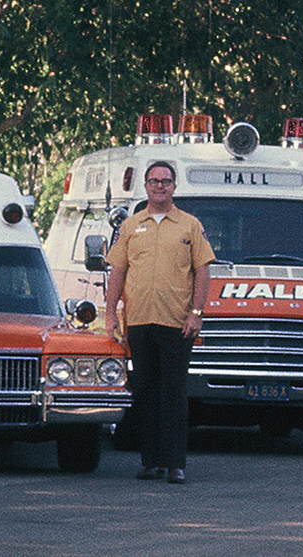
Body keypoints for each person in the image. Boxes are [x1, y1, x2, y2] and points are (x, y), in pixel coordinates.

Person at [103, 160, 214, 485]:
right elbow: (118, 271)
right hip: (139, 321)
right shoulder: (131, 225)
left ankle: (175, 464)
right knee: (145, 393)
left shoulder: (190, 226)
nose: (159, 186)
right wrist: (110, 314)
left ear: (174, 186)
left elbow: (203, 270)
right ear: (147, 187)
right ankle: (151, 462)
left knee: (174, 394)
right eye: (154, 181)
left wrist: (197, 313)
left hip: (176, 322)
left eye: (165, 181)